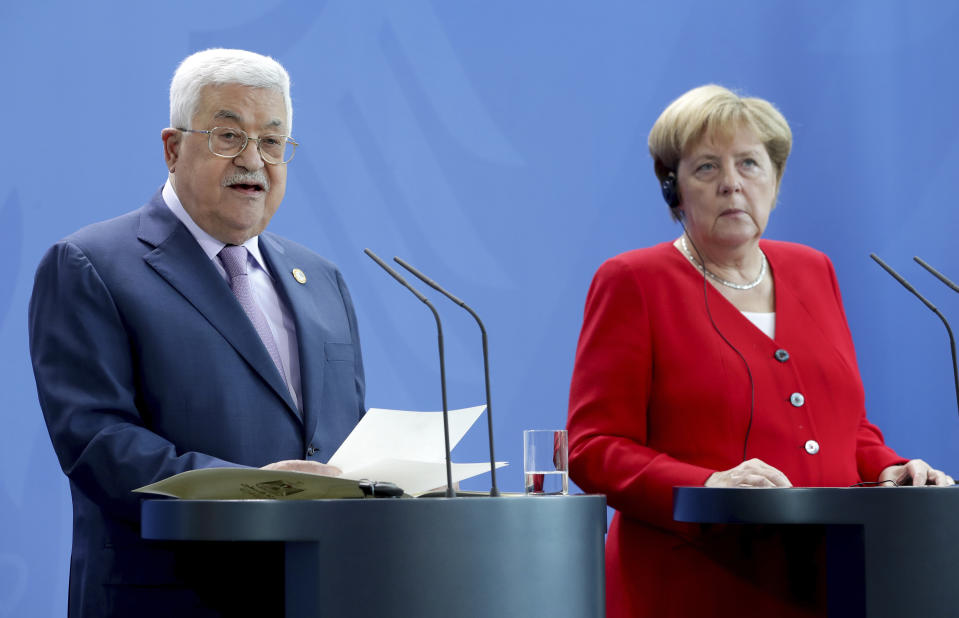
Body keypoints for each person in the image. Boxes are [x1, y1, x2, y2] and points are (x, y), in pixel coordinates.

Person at [565, 84, 954, 618]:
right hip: (691, 586)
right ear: (672, 189)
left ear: (775, 182)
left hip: (829, 582)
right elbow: (593, 447)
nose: (732, 185)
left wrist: (891, 469)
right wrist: (707, 483)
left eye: (749, 164)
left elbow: (847, 427)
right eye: (706, 168)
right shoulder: (633, 281)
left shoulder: (812, 270)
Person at [28, 49, 365, 617]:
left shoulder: (322, 279)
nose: (253, 161)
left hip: (315, 593)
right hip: (171, 599)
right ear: (173, 147)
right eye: (228, 135)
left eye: (272, 142)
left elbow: (341, 439)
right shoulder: (91, 264)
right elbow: (97, 442)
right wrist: (251, 490)